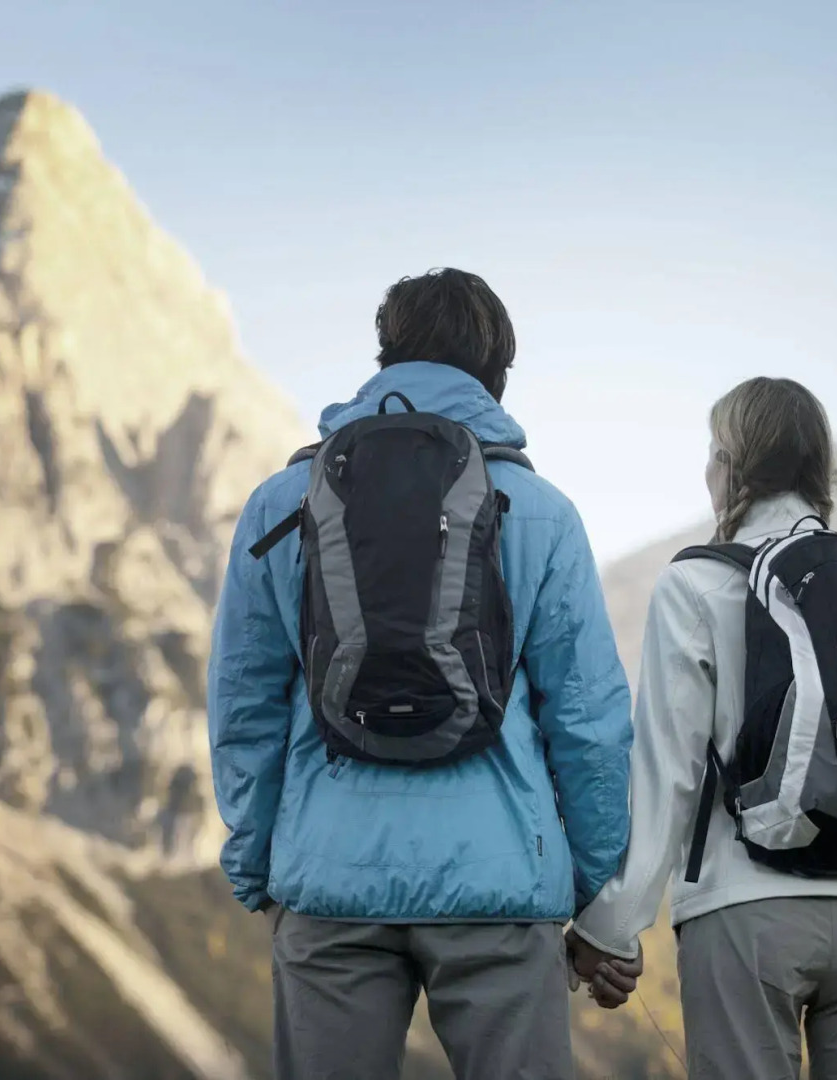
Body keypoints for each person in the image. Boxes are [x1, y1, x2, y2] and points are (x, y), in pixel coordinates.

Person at [208, 268, 633, 1080]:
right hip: (501, 886)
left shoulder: (280, 504)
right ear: (497, 373)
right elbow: (587, 722)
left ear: (383, 354)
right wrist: (580, 887)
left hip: (329, 882)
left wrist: (263, 862)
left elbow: (244, 707)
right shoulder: (541, 511)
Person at [571, 377, 837, 1079]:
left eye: (711, 456)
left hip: (742, 915)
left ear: (729, 462)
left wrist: (610, 930)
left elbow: (667, 774)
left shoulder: (695, 583)